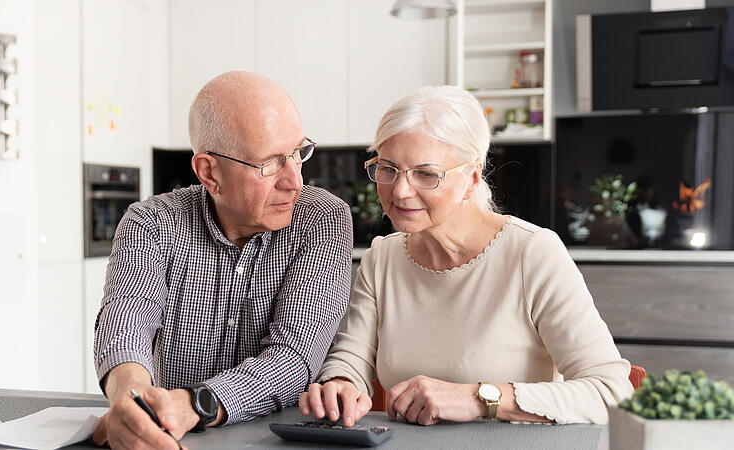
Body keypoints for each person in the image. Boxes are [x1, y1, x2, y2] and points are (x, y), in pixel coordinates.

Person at [299, 85, 633, 427]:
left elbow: (611, 393)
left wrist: (480, 398)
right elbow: (351, 358)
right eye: (388, 169)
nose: (399, 190)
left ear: (472, 177)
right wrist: (338, 384)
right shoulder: (382, 258)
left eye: (426, 174)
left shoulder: (532, 253)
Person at [91, 71, 353, 449]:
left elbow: (295, 357)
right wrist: (131, 403)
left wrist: (192, 404)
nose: (294, 180)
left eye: (298, 153)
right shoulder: (150, 223)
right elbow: (125, 325)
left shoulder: (323, 219)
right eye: (270, 163)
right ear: (209, 173)